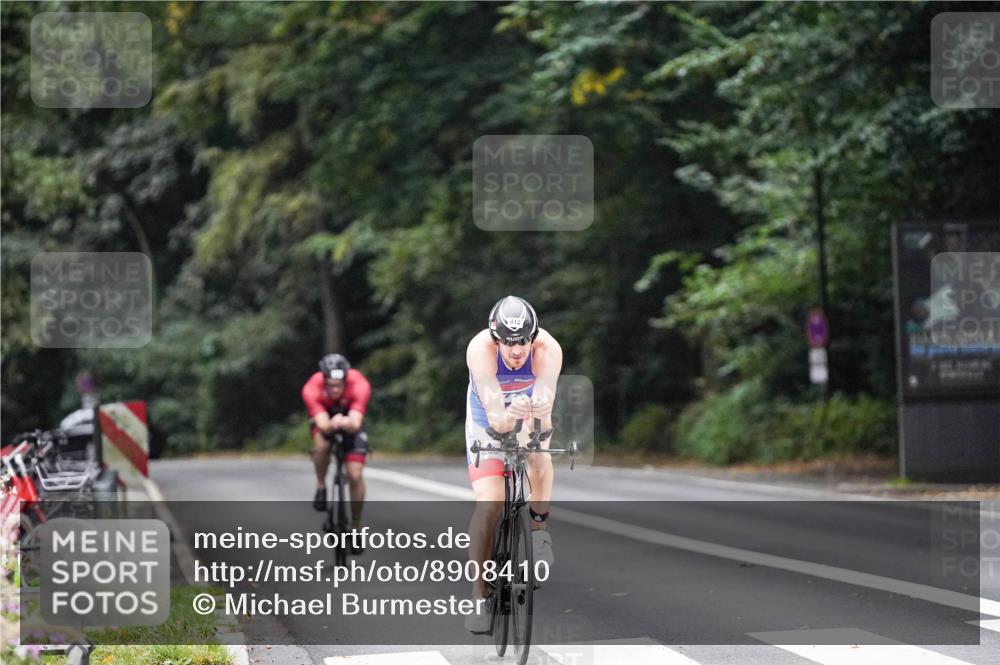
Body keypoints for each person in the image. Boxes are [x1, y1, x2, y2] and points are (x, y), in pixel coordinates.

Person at [463, 295, 562, 632]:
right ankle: (479, 596)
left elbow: (544, 414)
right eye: (508, 342)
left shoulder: (548, 350)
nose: (517, 350)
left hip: (528, 411)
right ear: (496, 338)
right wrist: (510, 418)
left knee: (538, 454)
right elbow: (496, 420)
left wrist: (535, 425)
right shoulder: (480, 350)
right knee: (489, 507)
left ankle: (538, 529)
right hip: (488, 417)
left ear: (533, 338)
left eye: (523, 341)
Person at [301, 354, 372, 541]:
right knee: (321, 445)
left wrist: (346, 422)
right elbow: (323, 426)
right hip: (325, 420)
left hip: (350, 422)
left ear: (346, 380)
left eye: (339, 385)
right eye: (330, 385)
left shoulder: (359, 385)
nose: (335, 389)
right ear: (323, 380)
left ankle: (356, 525)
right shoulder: (311, 388)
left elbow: (356, 423)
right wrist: (333, 423)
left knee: (355, 475)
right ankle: (321, 486)